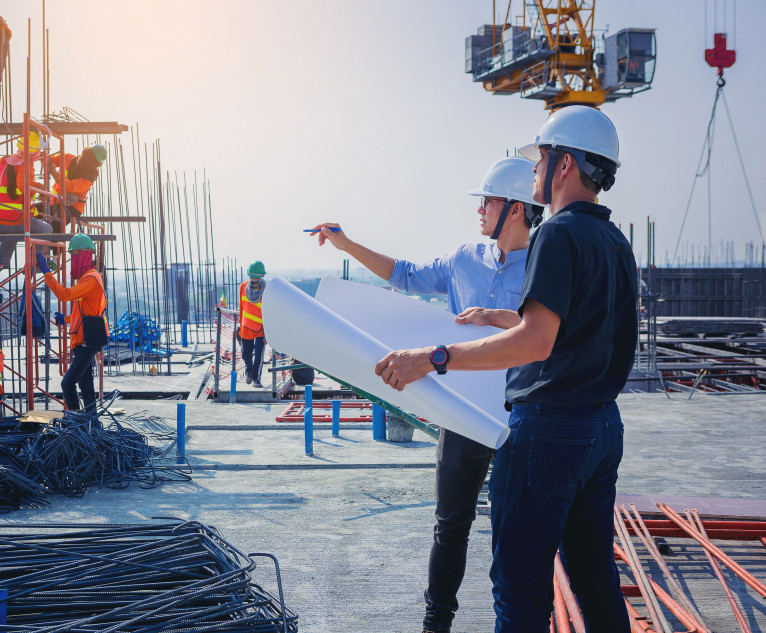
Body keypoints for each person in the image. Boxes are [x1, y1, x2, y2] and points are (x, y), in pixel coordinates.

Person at [375, 106, 635, 633]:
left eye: (540, 158)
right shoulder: (615, 242)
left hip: (549, 433)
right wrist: (505, 316)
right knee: (595, 581)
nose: (536, 170)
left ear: (565, 164)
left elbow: (537, 342)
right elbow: (579, 329)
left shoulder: (556, 235)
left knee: (518, 593)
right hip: (602, 428)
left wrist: (434, 357)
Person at [310, 156, 544, 633]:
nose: (480, 209)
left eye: (488, 201)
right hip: (464, 414)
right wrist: (346, 243)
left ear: (515, 209)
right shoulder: (464, 260)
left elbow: (555, 336)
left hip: (524, 415)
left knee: (515, 532)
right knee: (450, 526)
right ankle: (436, 624)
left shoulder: (546, 265)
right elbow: (405, 274)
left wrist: (502, 320)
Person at [36, 233, 108, 412]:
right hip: (84, 340)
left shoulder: (91, 278)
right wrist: (65, 320)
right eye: (72, 255)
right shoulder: (86, 279)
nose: (74, 259)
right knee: (86, 387)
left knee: (67, 383)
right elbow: (83, 312)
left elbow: (64, 295)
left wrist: (47, 273)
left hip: (87, 342)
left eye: (77, 255)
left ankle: (76, 422)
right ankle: (91, 424)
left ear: (87, 255)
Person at [0, 131, 54, 275]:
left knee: (10, 236)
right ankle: (33, 264)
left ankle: (0, 263)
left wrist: (10, 165)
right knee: (46, 230)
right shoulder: (26, 164)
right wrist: (42, 188)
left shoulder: (5, 160)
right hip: (15, 221)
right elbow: (24, 186)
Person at [39, 144, 109, 233]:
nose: (84, 161)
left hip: (72, 208)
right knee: (31, 211)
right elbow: (51, 159)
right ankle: (45, 244)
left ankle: (53, 246)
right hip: (54, 202)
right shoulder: (68, 158)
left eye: (89, 161)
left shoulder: (89, 178)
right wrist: (40, 156)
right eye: (85, 156)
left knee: (55, 226)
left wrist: (54, 173)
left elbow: (69, 187)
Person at [237, 261, 268, 388]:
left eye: (256, 277)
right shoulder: (243, 287)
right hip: (246, 327)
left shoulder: (266, 290)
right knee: (245, 354)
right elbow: (241, 307)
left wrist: (267, 332)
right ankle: (249, 370)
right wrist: (239, 324)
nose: (253, 279)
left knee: (259, 354)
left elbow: (268, 312)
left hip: (261, 328)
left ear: (261, 277)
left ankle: (256, 379)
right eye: (252, 276)